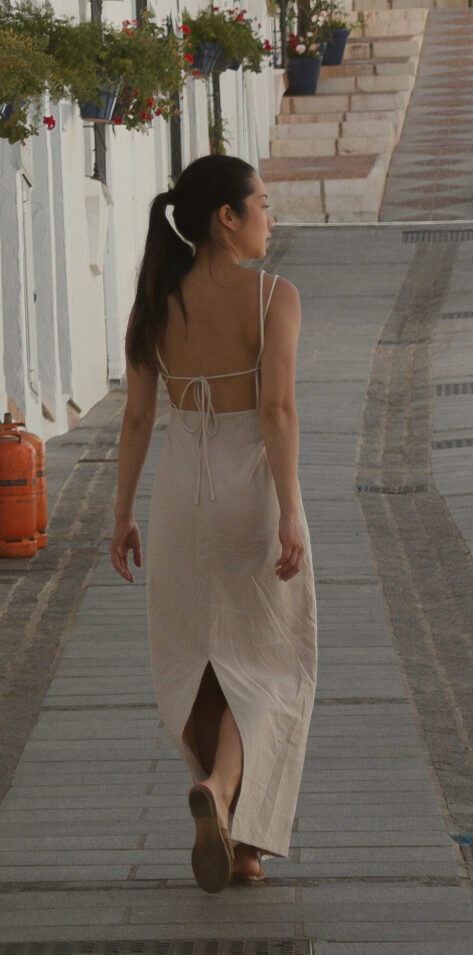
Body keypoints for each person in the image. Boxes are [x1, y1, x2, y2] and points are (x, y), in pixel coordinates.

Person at [109, 155, 317, 893]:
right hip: (249, 491)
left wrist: (122, 514)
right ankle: (225, 791)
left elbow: (138, 418)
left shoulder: (153, 301)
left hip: (177, 497)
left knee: (200, 662)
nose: (270, 217)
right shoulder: (273, 297)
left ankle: (243, 845)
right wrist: (289, 511)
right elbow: (276, 411)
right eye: (261, 204)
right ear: (226, 218)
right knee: (273, 665)